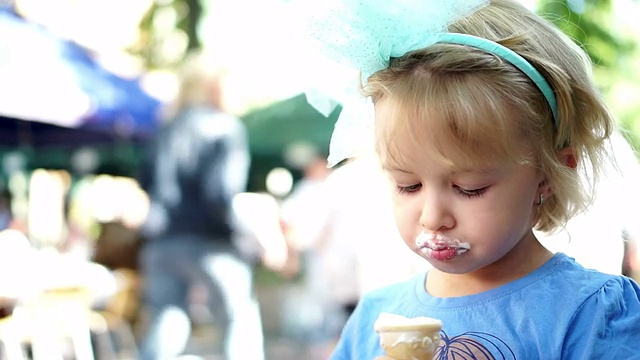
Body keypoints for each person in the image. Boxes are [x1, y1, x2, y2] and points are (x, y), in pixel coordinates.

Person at [301, 0, 640, 358]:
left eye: (469, 188)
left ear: (548, 175)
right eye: (408, 185)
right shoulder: (376, 317)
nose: (432, 217)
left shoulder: (591, 314)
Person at [136, 50, 264, 360]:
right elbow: (220, 194)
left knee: (168, 319)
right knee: (239, 318)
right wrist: (249, 236)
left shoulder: (164, 128)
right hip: (211, 244)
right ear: (212, 85)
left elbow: (145, 181)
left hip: (163, 242)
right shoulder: (225, 127)